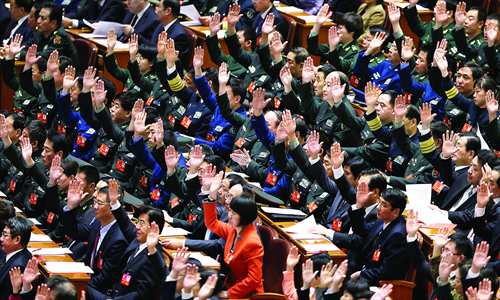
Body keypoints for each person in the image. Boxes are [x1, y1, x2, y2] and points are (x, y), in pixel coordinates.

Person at [203, 171, 264, 298]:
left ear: (244, 215)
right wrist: (211, 196)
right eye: (230, 211)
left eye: (234, 213)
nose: (229, 216)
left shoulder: (252, 242)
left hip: (246, 295)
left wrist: (230, 294)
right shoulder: (233, 230)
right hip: (228, 285)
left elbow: (254, 280)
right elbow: (211, 223)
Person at [61, 181, 129, 294]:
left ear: (113, 208)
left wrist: (75, 284)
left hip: (101, 291)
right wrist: (71, 205)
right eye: (95, 202)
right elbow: (75, 232)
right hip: (88, 280)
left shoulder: (118, 240)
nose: (95, 207)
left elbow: (105, 280)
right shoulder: (98, 224)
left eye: (100, 203)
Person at [19, 2, 79, 70]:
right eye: (38, 17)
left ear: (53, 23)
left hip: (65, 76)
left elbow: (44, 56)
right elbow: (27, 45)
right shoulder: (40, 31)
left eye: (43, 18)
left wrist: (18, 54)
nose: (38, 21)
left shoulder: (61, 37)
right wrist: (15, 50)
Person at [0, 216, 33, 300]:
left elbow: (5, 296)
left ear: (17, 240)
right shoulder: (8, 250)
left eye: (5, 235)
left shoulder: (18, 267)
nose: (1, 238)